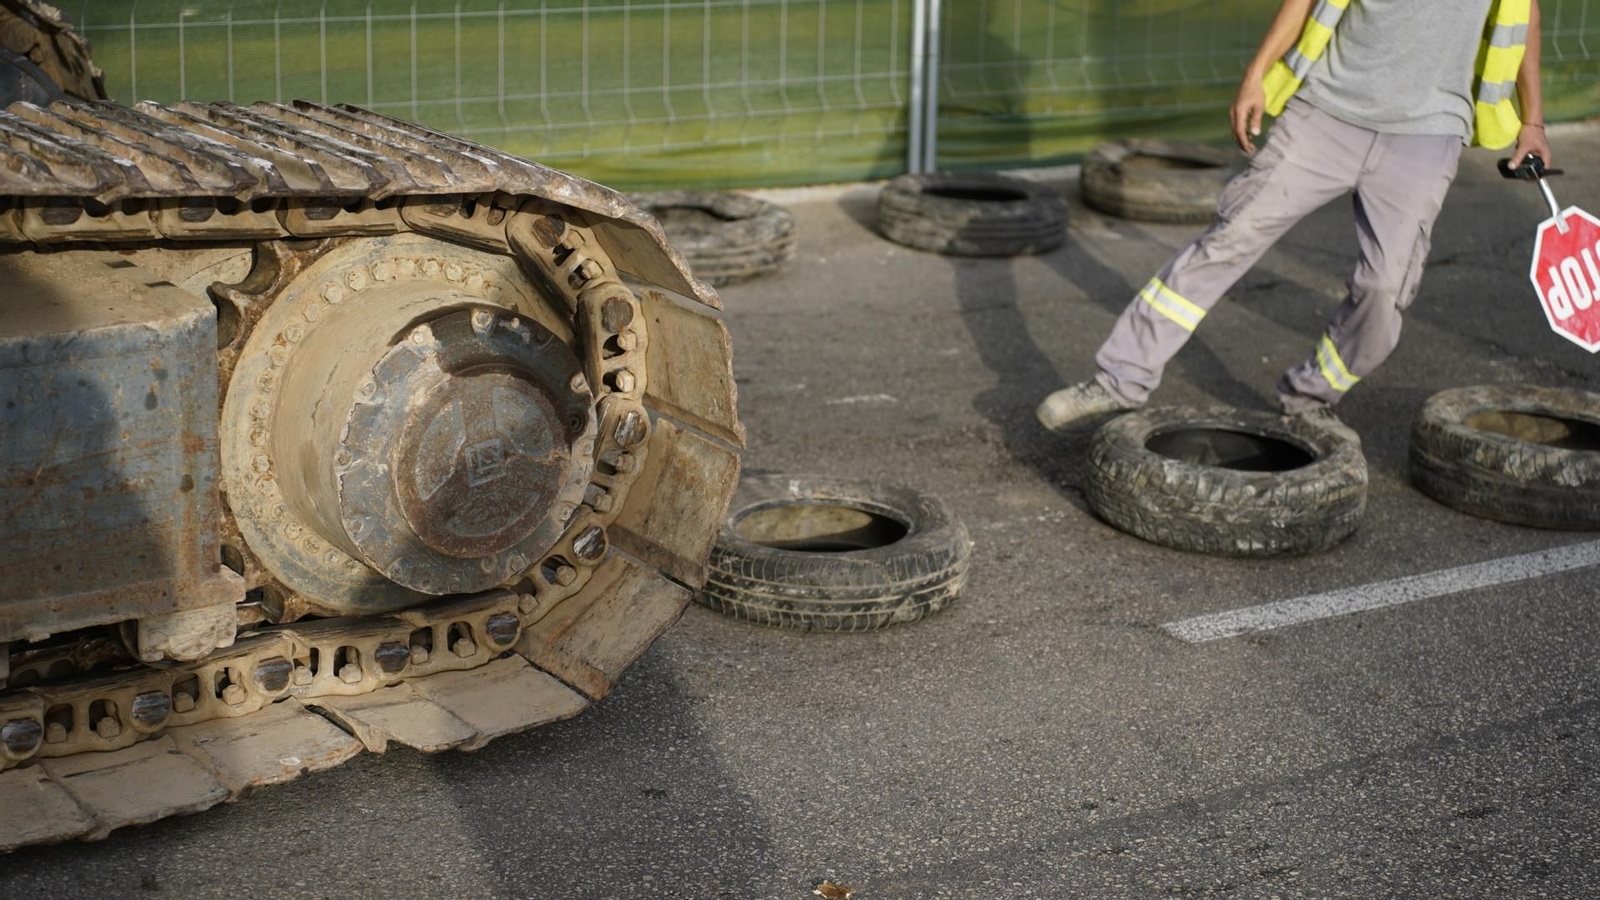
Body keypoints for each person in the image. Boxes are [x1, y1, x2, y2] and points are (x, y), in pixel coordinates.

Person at [1036, 0, 1551, 434]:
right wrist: (1256, 73)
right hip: (1326, 110)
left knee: (1385, 289)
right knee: (1230, 237)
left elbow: (1524, 12)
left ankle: (1309, 399)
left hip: (1429, 131)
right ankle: (1118, 380)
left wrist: (1533, 122)